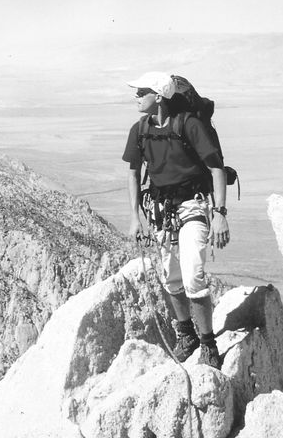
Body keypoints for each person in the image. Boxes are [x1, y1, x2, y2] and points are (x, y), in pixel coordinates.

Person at [122, 71, 230, 369]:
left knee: (193, 274)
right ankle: (187, 334)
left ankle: (208, 342)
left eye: (141, 91)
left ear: (158, 96)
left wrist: (220, 215)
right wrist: (135, 218)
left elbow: (217, 169)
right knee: (171, 277)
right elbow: (133, 173)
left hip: (192, 205)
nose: (136, 96)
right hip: (160, 211)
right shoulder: (139, 129)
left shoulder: (190, 125)